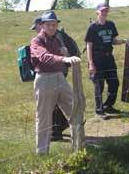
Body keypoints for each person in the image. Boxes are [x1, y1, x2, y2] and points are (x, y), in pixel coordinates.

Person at [30, 11, 81, 154]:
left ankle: (79, 145)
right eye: (49, 25)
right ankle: (42, 152)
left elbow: (64, 54)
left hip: (60, 77)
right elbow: (44, 57)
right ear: (42, 25)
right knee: (44, 117)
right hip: (44, 79)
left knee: (75, 109)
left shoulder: (56, 39)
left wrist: (66, 55)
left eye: (54, 24)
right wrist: (64, 59)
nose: (52, 27)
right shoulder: (36, 41)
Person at [85, 3, 128, 119]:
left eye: (106, 11)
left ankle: (108, 105)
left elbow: (113, 40)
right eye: (102, 11)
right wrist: (91, 63)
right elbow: (89, 45)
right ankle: (99, 110)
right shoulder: (93, 27)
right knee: (99, 85)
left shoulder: (110, 25)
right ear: (97, 12)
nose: (104, 13)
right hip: (97, 58)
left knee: (114, 83)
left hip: (109, 58)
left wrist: (123, 41)